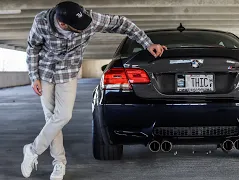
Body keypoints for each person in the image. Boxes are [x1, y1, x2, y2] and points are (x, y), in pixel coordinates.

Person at [21, 1, 167, 179]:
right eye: (78, 28)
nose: (84, 29)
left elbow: (121, 23)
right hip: (45, 74)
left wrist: (147, 43)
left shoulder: (89, 19)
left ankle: (32, 150)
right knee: (51, 120)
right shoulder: (41, 22)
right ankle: (59, 163)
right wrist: (33, 76)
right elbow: (33, 47)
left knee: (63, 116)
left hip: (68, 74)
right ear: (62, 24)